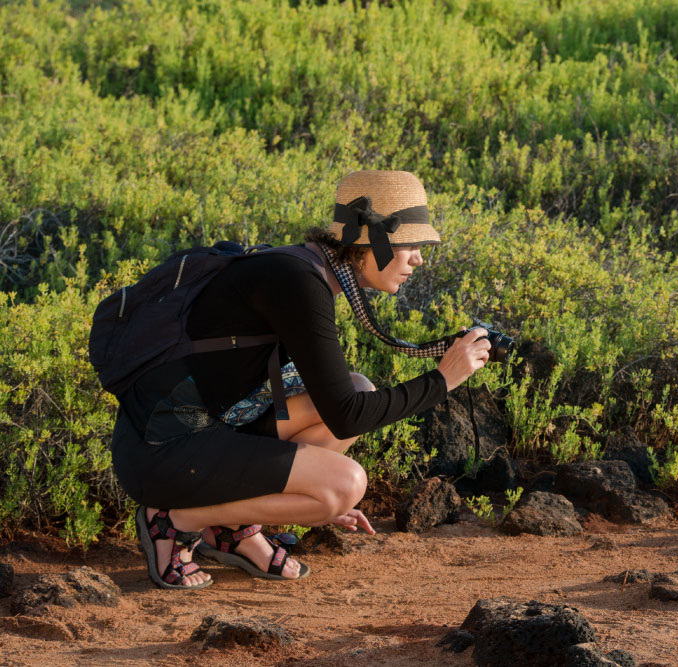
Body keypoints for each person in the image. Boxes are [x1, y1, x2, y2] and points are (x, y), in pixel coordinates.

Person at [109, 170, 491, 589]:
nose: (418, 258)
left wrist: (291, 500)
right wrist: (443, 380)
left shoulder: (305, 268)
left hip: (210, 428)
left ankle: (234, 530)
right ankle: (173, 520)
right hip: (162, 453)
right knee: (343, 487)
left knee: (359, 386)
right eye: (411, 245)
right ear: (372, 240)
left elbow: (342, 403)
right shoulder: (298, 282)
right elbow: (347, 418)